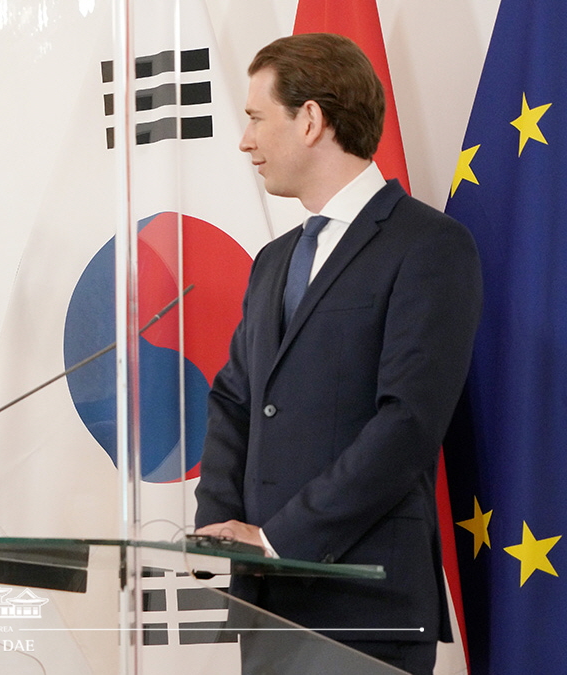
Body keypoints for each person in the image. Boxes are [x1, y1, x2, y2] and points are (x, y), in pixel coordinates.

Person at [193, 33, 482, 675]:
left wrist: (277, 540)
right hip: (269, 606)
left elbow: (407, 423)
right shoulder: (273, 261)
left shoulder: (430, 246)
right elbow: (237, 399)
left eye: (256, 119)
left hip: (364, 606)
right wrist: (217, 528)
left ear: (312, 120)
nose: (245, 141)